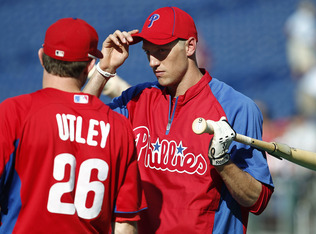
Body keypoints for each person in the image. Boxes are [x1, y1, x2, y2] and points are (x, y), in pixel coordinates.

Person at [84, 6, 274, 233]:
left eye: (162, 51)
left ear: (190, 46)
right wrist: (104, 69)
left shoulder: (237, 107)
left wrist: (222, 162)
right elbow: (79, 122)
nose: (153, 62)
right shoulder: (136, 100)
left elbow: (257, 200)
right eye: (148, 52)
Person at [0, 18, 146, 233]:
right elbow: (125, 221)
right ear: (89, 66)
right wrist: (103, 70)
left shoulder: (15, 112)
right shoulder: (118, 127)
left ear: (42, 58)